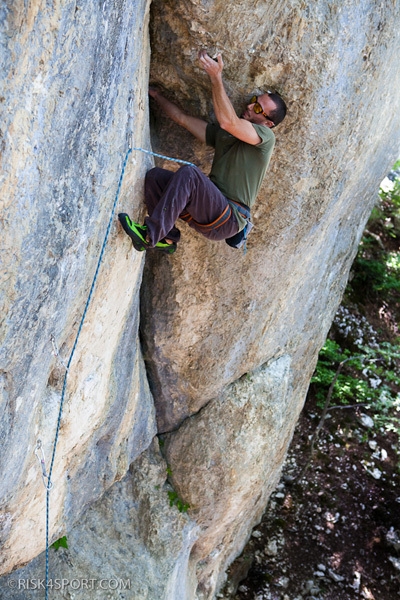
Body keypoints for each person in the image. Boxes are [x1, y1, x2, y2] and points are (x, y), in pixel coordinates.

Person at [118, 50, 287, 254]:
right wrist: (156, 95)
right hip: (209, 209)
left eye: (259, 109)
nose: (250, 106)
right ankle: (167, 238)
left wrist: (215, 76)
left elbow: (228, 121)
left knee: (190, 174)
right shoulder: (225, 137)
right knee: (155, 178)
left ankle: (149, 235)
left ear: (268, 123)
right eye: (254, 100)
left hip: (229, 217)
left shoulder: (266, 138)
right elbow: (182, 118)